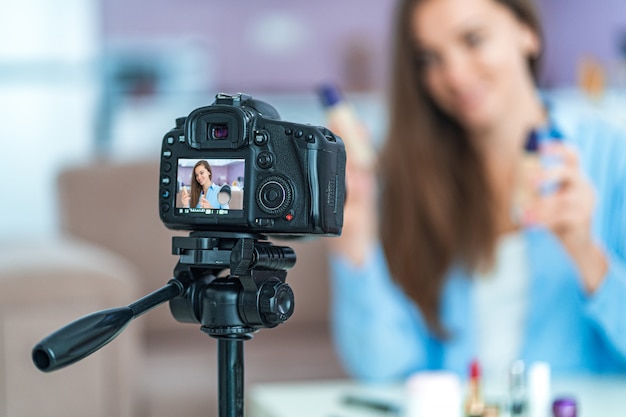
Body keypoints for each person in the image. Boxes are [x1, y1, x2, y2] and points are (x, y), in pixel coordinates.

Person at [329, 0, 626, 383]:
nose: (454, 75)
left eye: (473, 39)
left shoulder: (610, 159)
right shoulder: (418, 182)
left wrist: (586, 254)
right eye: (428, 58)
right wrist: (355, 238)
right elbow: (386, 371)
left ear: (527, 32)